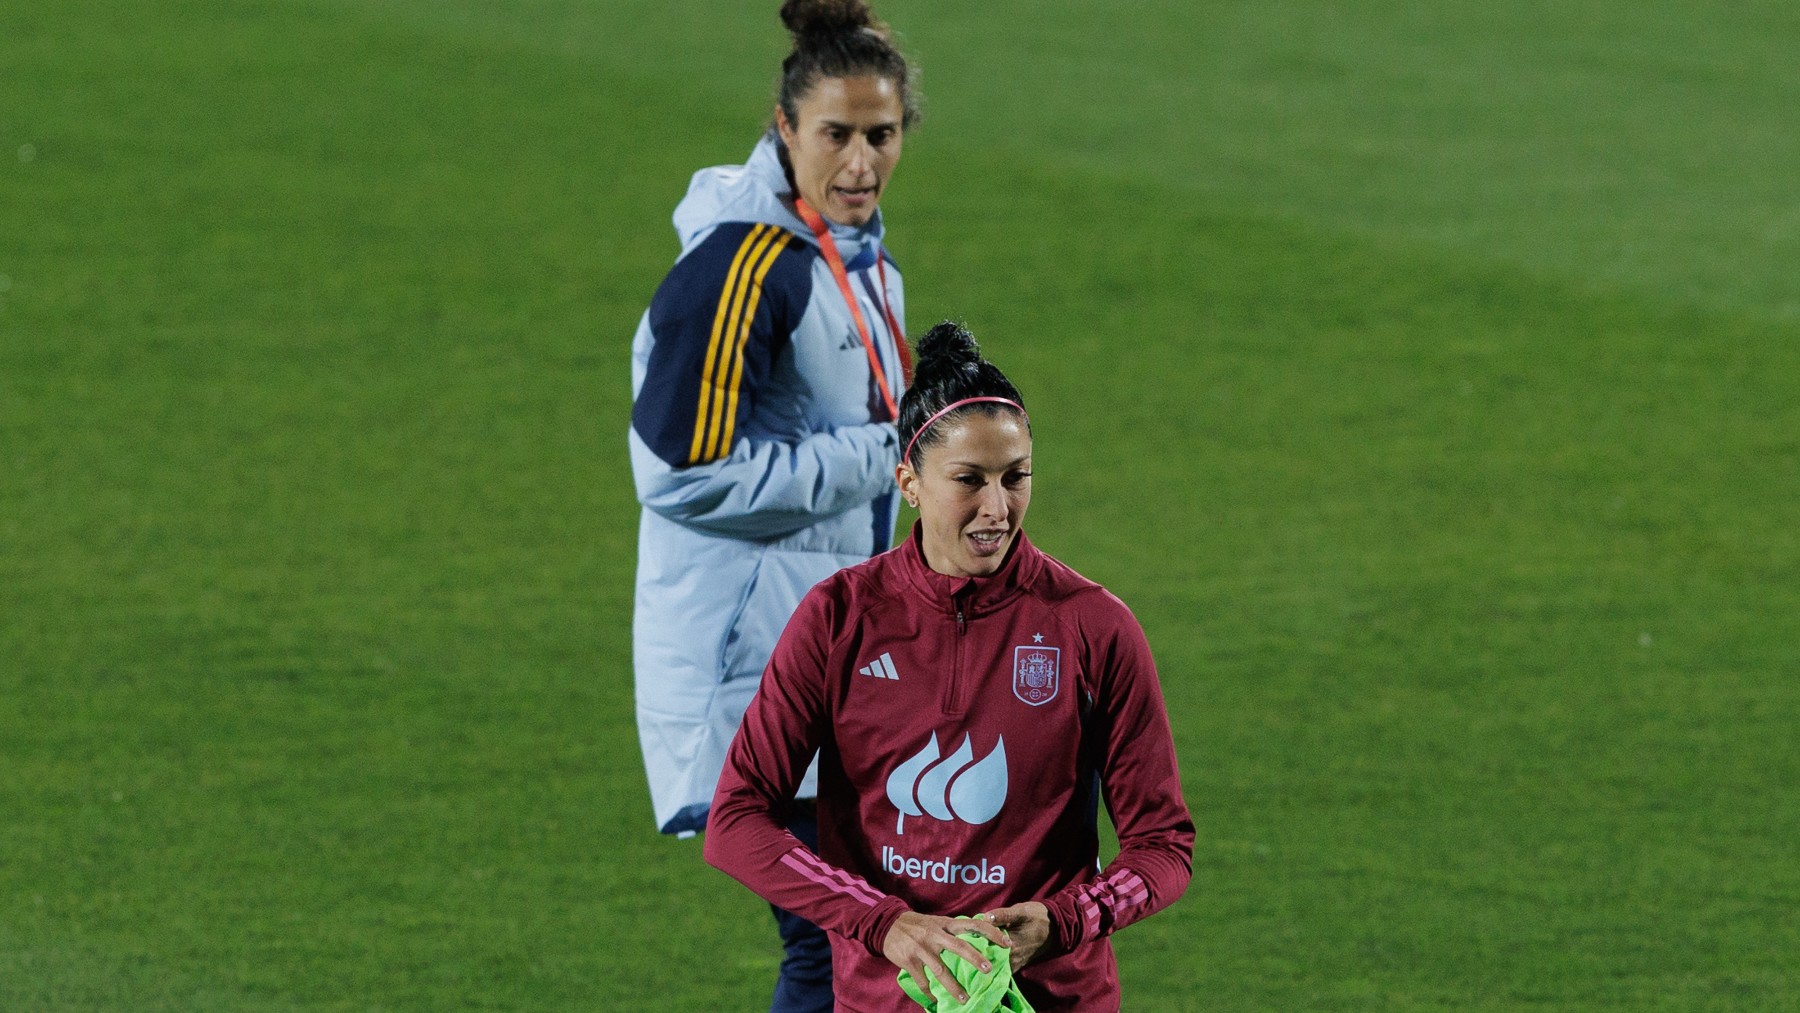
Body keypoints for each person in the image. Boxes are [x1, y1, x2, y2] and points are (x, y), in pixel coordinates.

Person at [705, 322, 1196, 1013]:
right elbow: (736, 819)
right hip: (886, 1002)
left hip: (1055, 999)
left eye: (1016, 477)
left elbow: (1163, 846)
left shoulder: (1092, 626)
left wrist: (1065, 920)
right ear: (908, 481)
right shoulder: (838, 619)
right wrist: (886, 924)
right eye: (969, 480)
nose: (997, 508)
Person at [628, 1, 920, 1009]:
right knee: (839, 937)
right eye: (835, 134)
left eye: (879, 135)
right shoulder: (743, 267)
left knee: (846, 938)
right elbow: (682, 471)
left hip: (827, 654)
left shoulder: (858, 256)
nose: (859, 161)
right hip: (747, 664)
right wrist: (888, 450)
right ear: (785, 127)